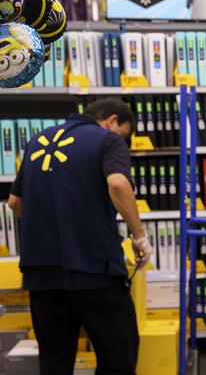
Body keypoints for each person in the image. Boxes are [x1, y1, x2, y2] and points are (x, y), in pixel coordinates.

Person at [7, 97, 153, 374]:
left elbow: (15, 203)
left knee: (55, 361)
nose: (122, 140)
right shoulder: (107, 141)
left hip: (41, 275)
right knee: (117, 357)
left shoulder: (38, 140)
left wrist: (54, 226)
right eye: (124, 134)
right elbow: (118, 183)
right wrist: (139, 237)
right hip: (94, 269)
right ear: (112, 120)